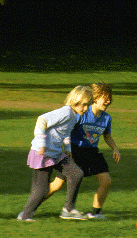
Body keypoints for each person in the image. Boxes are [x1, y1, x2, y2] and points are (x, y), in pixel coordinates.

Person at [44, 81, 120, 219]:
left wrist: (115, 148)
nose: (109, 100)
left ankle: (95, 213)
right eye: (106, 97)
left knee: (106, 181)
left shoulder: (107, 118)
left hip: (92, 153)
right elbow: (66, 130)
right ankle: (32, 205)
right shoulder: (83, 114)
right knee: (57, 185)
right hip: (75, 151)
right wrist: (65, 149)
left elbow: (107, 136)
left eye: (110, 98)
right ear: (95, 98)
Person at [17, 86, 93, 222]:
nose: (86, 108)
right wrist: (41, 143)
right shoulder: (65, 112)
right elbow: (42, 120)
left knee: (76, 173)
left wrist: (68, 149)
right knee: (41, 190)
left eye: (88, 105)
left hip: (56, 154)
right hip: (43, 153)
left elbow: (64, 133)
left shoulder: (73, 117)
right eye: (84, 104)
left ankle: (68, 209)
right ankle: (25, 215)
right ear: (76, 100)